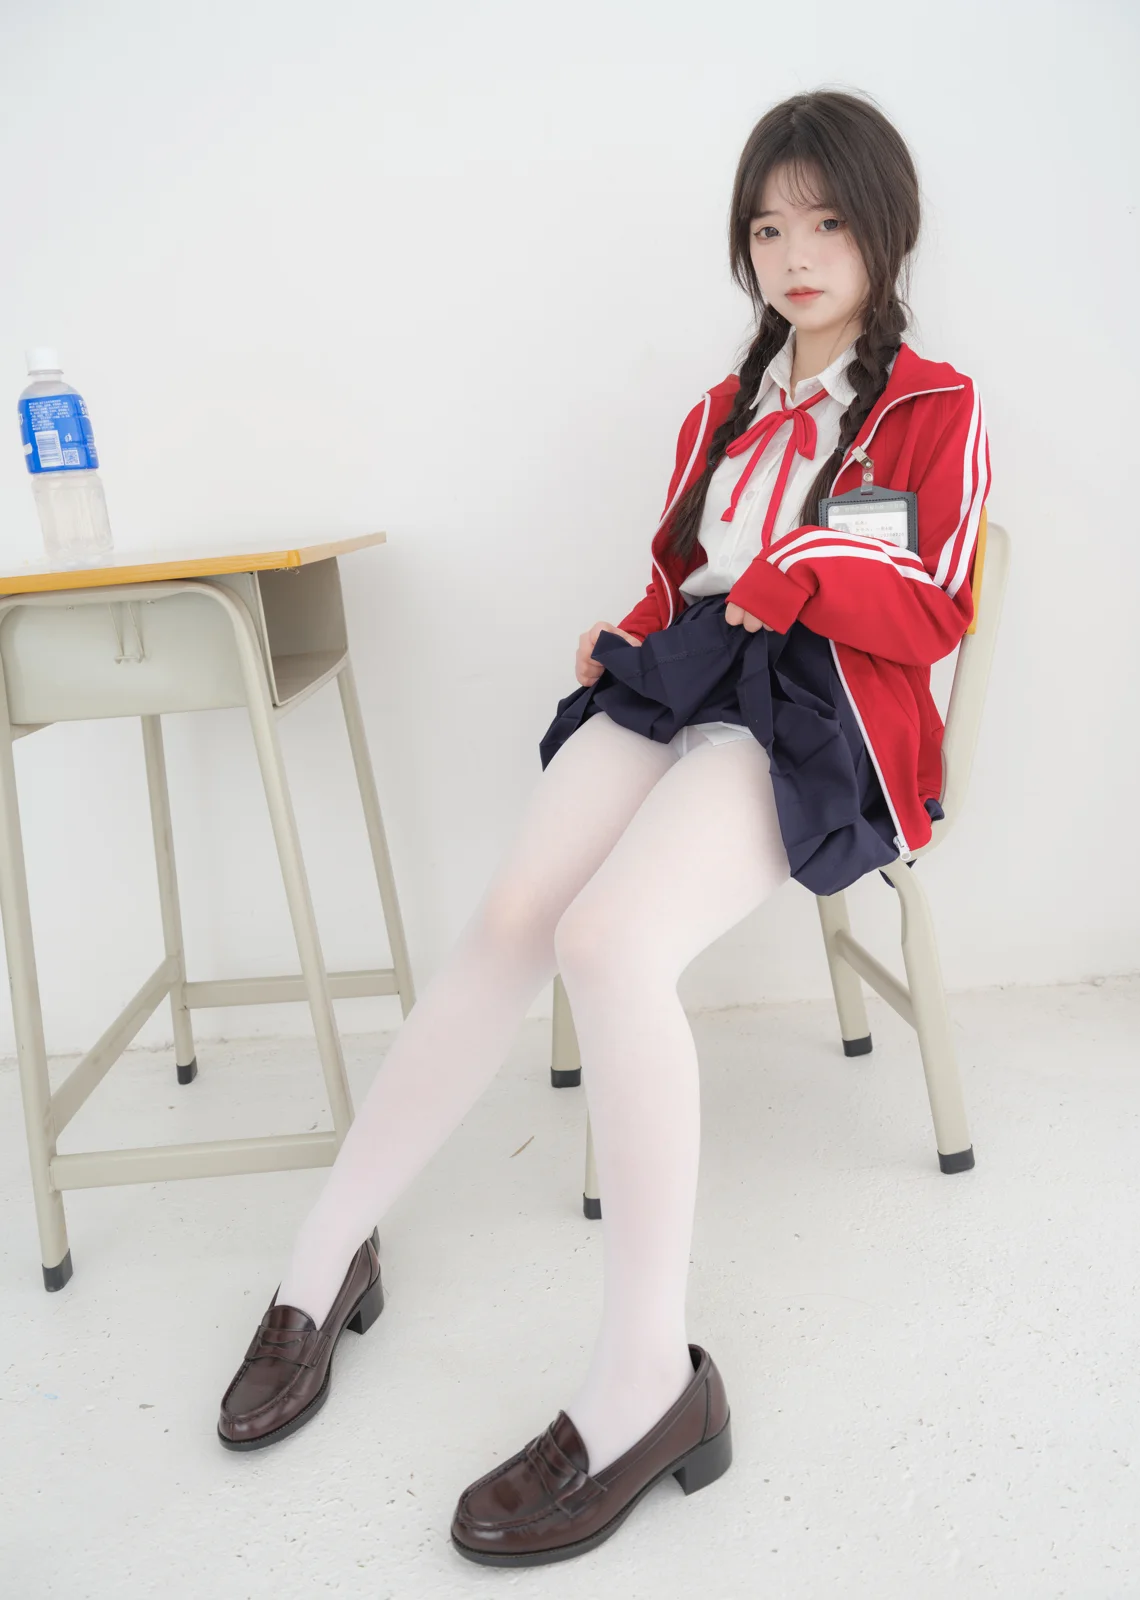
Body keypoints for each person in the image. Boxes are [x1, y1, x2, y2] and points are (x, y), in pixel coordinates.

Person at [215, 86, 992, 1568]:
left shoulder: (930, 406)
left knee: (611, 944)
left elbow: (929, 597)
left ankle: (648, 1382)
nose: (795, 254)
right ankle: (325, 1260)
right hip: (686, 680)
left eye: (827, 223)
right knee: (514, 917)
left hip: (812, 710)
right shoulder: (721, 410)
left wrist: (795, 572)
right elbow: (677, 568)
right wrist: (628, 626)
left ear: (885, 231)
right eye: (768, 228)